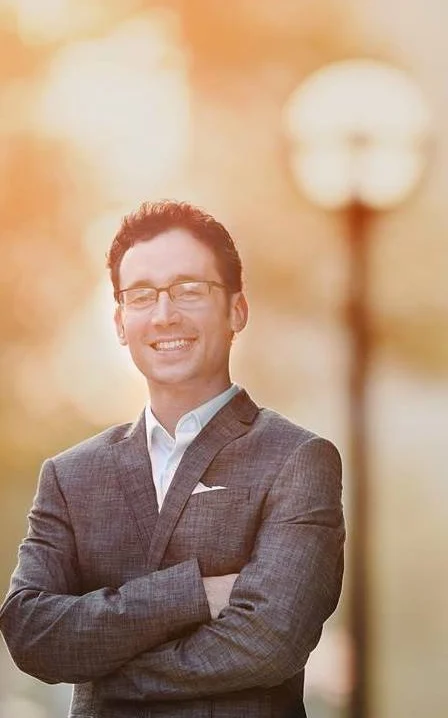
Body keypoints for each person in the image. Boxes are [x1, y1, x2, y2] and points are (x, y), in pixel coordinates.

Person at [0, 200, 345, 718]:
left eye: (189, 290)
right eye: (141, 295)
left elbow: (269, 640)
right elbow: (31, 631)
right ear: (119, 321)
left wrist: (106, 671)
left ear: (237, 310)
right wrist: (194, 595)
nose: (165, 315)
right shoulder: (71, 475)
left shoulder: (297, 459)